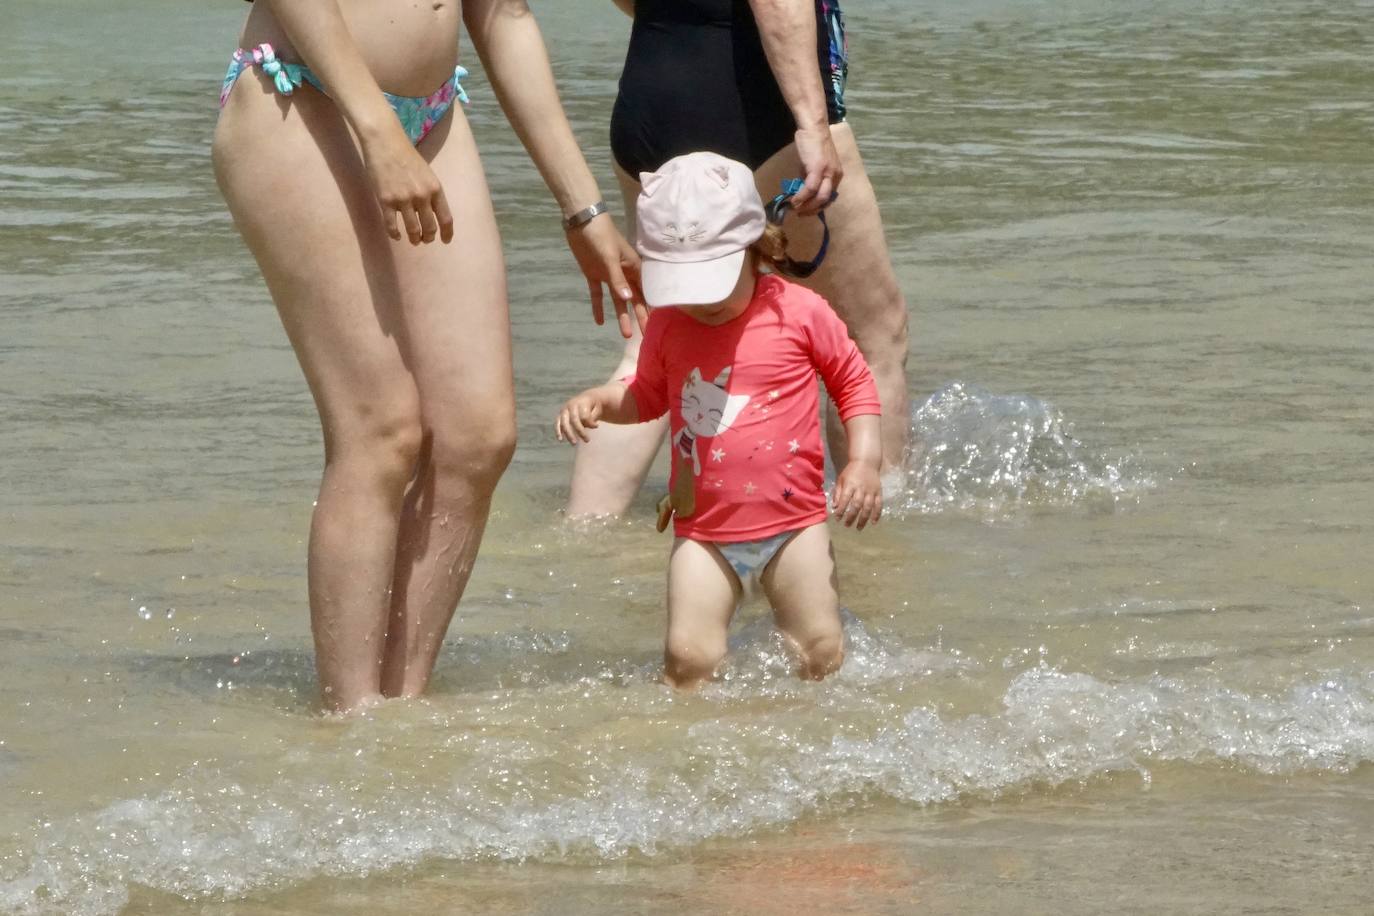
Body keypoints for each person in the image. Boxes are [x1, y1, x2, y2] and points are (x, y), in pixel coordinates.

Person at [213, 0, 643, 712]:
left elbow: (504, 15)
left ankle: (400, 713)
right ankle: (350, 722)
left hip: (433, 113)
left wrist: (583, 208)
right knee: (381, 430)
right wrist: (377, 130)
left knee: (477, 438)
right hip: (301, 92)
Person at [566, 0, 910, 517]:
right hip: (753, 104)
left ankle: (585, 531)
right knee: (873, 336)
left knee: (652, 345)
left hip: (652, 91)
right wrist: (812, 125)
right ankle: (874, 531)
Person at [556, 153, 882, 687]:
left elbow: (854, 383)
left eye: (711, 282)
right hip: (703, 532)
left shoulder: (799, 312)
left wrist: (864, 461)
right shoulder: (668, 325)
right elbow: (650, 397)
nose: (699, 302)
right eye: (683, 286)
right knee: (688, 658)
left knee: (819, 651)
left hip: (795, 525)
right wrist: (603, 401)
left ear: (757, 246)